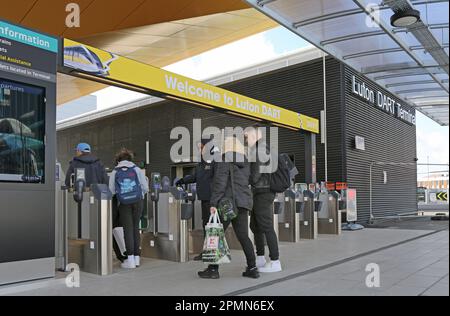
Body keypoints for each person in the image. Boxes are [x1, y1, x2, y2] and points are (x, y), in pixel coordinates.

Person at [198, 136, 259, 279]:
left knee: (216, 235)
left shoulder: (224, 160)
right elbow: (250, 180)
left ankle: (213, 270)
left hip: (227, 204)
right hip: (243, 203)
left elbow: (220, 182)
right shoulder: (245, 161)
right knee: (243, 236)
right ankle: (252, 268)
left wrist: (213, 203)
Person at [245, 124, 282, 273]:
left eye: (246, 137)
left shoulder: (259, 150)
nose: (245, 140)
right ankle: (260, 258)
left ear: (254, 136)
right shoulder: (260, 149)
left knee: (265, 226)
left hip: (263, 192)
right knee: (255, 226)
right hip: (259, 192)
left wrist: (243, 179)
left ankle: (275, 261)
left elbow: (255, 176)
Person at [109, 148, 149, 269]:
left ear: (118, 160)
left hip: (124, 203)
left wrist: (122, 195)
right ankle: (137, 259)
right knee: (135, 228)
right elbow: (145, 188)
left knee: (127, 230)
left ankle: (130, 260)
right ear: (130, 159)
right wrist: (139, 195)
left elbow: (111, 190)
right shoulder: (136, 169)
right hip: (138, 201)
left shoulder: (115, 171)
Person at [176, 138, 215, 261]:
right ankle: (206, 251)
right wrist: (182, 180)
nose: (199, 149)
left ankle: (211, 252)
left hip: (212, 199)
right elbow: (196, 177)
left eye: (201, 147)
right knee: (206, 225)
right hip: (204, 199)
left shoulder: (215, 161)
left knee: (212, 226)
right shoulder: (201, 163)